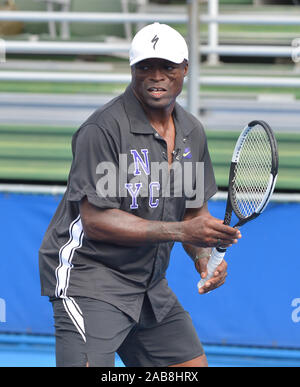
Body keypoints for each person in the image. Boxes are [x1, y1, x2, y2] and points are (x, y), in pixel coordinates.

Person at [39, 22, 241, 367]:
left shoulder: (192, 132)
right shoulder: (102, 128)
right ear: (132, 70)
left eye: (168, 67)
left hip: (148, 284)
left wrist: (202, 257)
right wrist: (182, 232)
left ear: (185, 70)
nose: (156, 76)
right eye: (145, 66)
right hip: (90, 276)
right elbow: (97, 221)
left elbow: (193, 216)